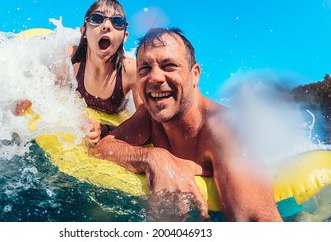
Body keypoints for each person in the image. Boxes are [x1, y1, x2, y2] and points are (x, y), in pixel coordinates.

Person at [89, 27, 282, 222]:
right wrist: (154, 157)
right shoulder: (150, 116)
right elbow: (103, 149)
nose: (155, 77)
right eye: (144, 69)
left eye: (169, 65)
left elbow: (257, 219)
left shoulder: (227, 131)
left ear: (195, 74)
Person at [16, 0, 142, 144]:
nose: (107, 25)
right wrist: (26, 102)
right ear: (84, 32)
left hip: (113, 119)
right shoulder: (71, 58)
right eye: (97, 18)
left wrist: (105, 129)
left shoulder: (131, 71)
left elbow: (144, 121)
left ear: (125, 37)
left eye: (117, 22)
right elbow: (48, 92)